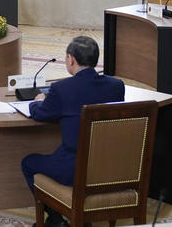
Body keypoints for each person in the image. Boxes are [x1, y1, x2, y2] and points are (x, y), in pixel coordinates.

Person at [21, 36, 125, 227]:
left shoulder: (61, 89)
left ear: (71, 60)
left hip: (73, 170)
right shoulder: (116, 86)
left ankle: (55, 218)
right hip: (110, 167)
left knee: (28, 163)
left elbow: (41, 115)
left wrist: (37, 102)